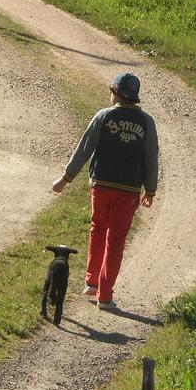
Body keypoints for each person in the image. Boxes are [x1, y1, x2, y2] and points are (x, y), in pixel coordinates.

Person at [51, 72, 158, 310]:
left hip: (100, 185)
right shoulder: (147, 122)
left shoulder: (103, 116)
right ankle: (105, 294)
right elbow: (151, 157)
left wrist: (65, 179)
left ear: (116, 94)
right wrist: (150, 190)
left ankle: (91, 283)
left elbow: (84, 149)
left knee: (98, 229)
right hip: (129, 190)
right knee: (116, 239)